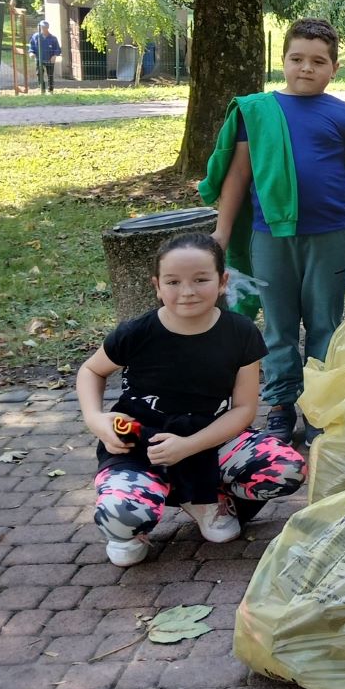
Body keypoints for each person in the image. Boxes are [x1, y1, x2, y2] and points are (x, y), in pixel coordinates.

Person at [76, 234, 306, 567]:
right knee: (122, 518)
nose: (187, 291)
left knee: (286, 470)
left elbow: (243, 409)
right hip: (140, 445)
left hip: (209, 440)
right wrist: (95, 420)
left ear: (222, 281)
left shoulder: (241, 333)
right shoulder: (136, 333)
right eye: (173, 281)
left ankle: (209, 500)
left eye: (201, 279)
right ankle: (132, 527)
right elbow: (91, 371)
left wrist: (189, 445)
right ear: (157, 285)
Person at [204, 18, 345, 442]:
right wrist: (222, 233)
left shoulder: (344, 116)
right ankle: (282, 403)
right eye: (297, 59)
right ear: (281, 61)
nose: (306, 68)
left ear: (334, 68)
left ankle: (319, 407)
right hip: (271, 238)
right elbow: (238, 177)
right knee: (279, 327)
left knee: (325, 325)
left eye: (318, 61)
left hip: (329, 236)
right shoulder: (259, 112)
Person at [29, 19, 61, 94]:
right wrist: (31, 52)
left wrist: (54, 55)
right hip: (39, 59)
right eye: (41, 27)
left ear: (47, 28)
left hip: (49, 59)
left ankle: (50, 90)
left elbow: (57, 49)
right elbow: (32, 46)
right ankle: (42, 89)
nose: (42, 29)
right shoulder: (35, 36)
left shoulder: (53, 38)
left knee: (50, 75)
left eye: (44, 27)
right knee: (39, 74)